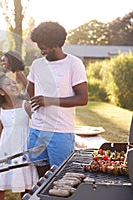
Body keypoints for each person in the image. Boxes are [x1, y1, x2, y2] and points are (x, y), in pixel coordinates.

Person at [26, 21, 88, 177]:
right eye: (39, 46)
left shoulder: (73, 64)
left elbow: (82, 98)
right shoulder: (37, 65)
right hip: (37, 130)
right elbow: (29, 90)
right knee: (41, 178)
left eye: (44, 47)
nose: (41, 51)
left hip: (60, 132)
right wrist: (32, 103)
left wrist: (50, 100)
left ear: (56, 44)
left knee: (60, 177)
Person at [0, 74, 38, 200]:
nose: (13, 85)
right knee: (0, 184)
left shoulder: (26, 105)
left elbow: (36, 125)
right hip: (6, 151)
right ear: (1, 92)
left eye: (13, 83)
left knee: (26, 185)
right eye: (8, 84)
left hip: (23, 150)